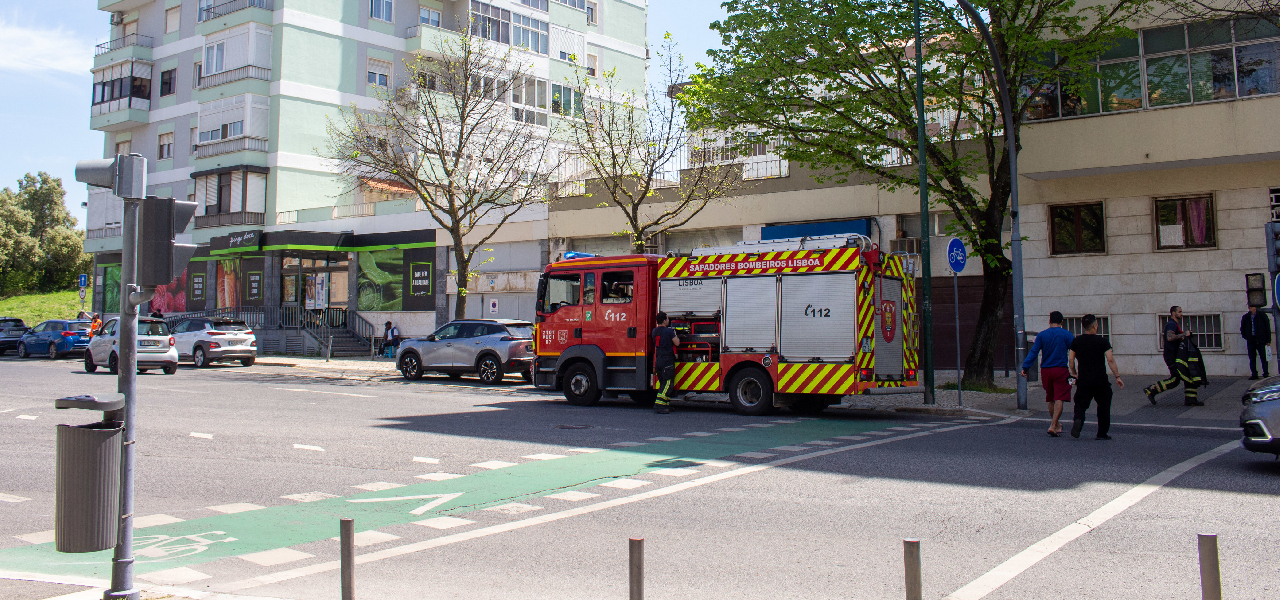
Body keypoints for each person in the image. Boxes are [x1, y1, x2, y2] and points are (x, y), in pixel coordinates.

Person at [1068, 314, 1124, 440]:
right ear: (1095, 326)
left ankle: (1078, 419)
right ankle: (1102, 433)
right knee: (1103, 405)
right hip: (1100, 380)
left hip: (1084, 380)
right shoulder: (1103, 341)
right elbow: (1110, 360)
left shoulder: (1076, 341)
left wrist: (1074, 372)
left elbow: (1071, 359)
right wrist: (1117, 376)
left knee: (1080, 404)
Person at [1020, 311, 1074, 436]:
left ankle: (1056, 424)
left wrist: (1025, 367)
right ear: (1062, 322)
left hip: (1045, 370)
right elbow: (1075, 350)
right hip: (1060, 369)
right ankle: (1053, 425)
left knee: (1050, 398)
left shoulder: (1042, 335)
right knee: (1059, 398)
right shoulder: (1066, 334)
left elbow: (1034, 352)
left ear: (1049, 321)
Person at [1145, 306, 1203, 406]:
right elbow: (1170, 337)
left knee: (1188, 375)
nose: (1181, 314)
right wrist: (1184, 334)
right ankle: (1151, 390)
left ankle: (1191, 399)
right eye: (1179, 312)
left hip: (1177, 356)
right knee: (1175, 379)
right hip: (1171, 356)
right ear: (1173, 313)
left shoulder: (1175, 324)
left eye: (1181, 312)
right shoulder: (1171, 324)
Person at [651, 312, 679, 415]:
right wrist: (675, 335)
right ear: (664, 320)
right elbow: (677, 343)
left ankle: (666, 404)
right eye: (667, 319)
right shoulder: (669, 331)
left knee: (663, 382)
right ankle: (659, 405)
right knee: (667, 383)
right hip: (667, 361)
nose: (668, 321)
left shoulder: (654, 331)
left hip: (658, 360)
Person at [1241, 306, 1272, 380]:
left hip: (1261, 340)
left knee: (1263, 357)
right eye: (1249, 307)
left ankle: (1266, 373)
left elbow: (1267, 328)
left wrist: (1268, 340)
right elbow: (1242, 328)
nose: (1250, 308)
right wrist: (1246, 336)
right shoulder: (1246, 317)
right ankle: (1254, 374)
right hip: (1251, 340)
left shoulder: (1262, 315)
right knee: (1252, 358)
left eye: (1252, 307)